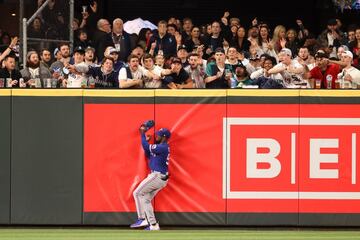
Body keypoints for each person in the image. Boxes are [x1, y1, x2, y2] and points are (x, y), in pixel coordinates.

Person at [131, 121, 171, 231]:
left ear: (164, 137)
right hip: (160, 177)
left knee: (137, 193)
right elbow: (149, 154)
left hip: (157, 176)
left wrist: (143, 133)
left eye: (158, 134)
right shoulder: (160, 147)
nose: (156, 135)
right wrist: (146, 143)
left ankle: (142, 218)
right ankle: (153, 225)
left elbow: (145, 145)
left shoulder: (163, 147)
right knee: (146, 199)